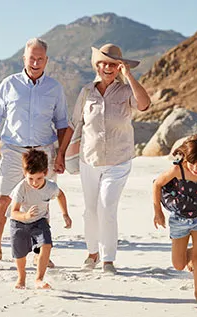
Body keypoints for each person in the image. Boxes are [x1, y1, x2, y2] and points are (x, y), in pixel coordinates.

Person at [0, 37, 70, 268]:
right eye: (32, 58)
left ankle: (40, 252)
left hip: (44, 150)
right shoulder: (9, 84)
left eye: (41, 58)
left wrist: (60, 156)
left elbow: (62, 123)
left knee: (43, 201)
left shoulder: (54, 88)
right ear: (24, 58)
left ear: (46, 60)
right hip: (13, 150)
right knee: (3, 199)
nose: (36, 62)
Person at [67, 44, 151, 273]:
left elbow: (144, 104)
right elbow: (75, 125)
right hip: (89, 160)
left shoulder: (126, 92)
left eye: (113, 64)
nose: (107, 67)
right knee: (90, 210)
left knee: (106, 206)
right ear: (97, 65)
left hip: (118, 161)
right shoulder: (86, 92)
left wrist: (130, 76)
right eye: (103, 63)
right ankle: (92, 253)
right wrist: (62, 155)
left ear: (119, 67)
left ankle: (108, 260)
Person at [153, 134, 197, 305]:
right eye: (193, 163)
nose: (196, 168)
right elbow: (157, 184)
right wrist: (158, 212)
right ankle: (189, 253)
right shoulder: (178, 170)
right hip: (179, 220)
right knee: (178, 265)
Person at [10, 149, 72, 289]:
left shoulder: (50, 187)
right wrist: (25, 216)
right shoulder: (21, 188)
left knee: (46, 245)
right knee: (19, 254)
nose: (34, 183)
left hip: (40, 221)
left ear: (45, 173)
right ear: (25, 173)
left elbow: (60, 195)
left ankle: (39, 278)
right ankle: (21, 277)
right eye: (30, 178)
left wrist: (65, 214)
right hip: (19, 223)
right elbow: (13, 212)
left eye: (38, 178)